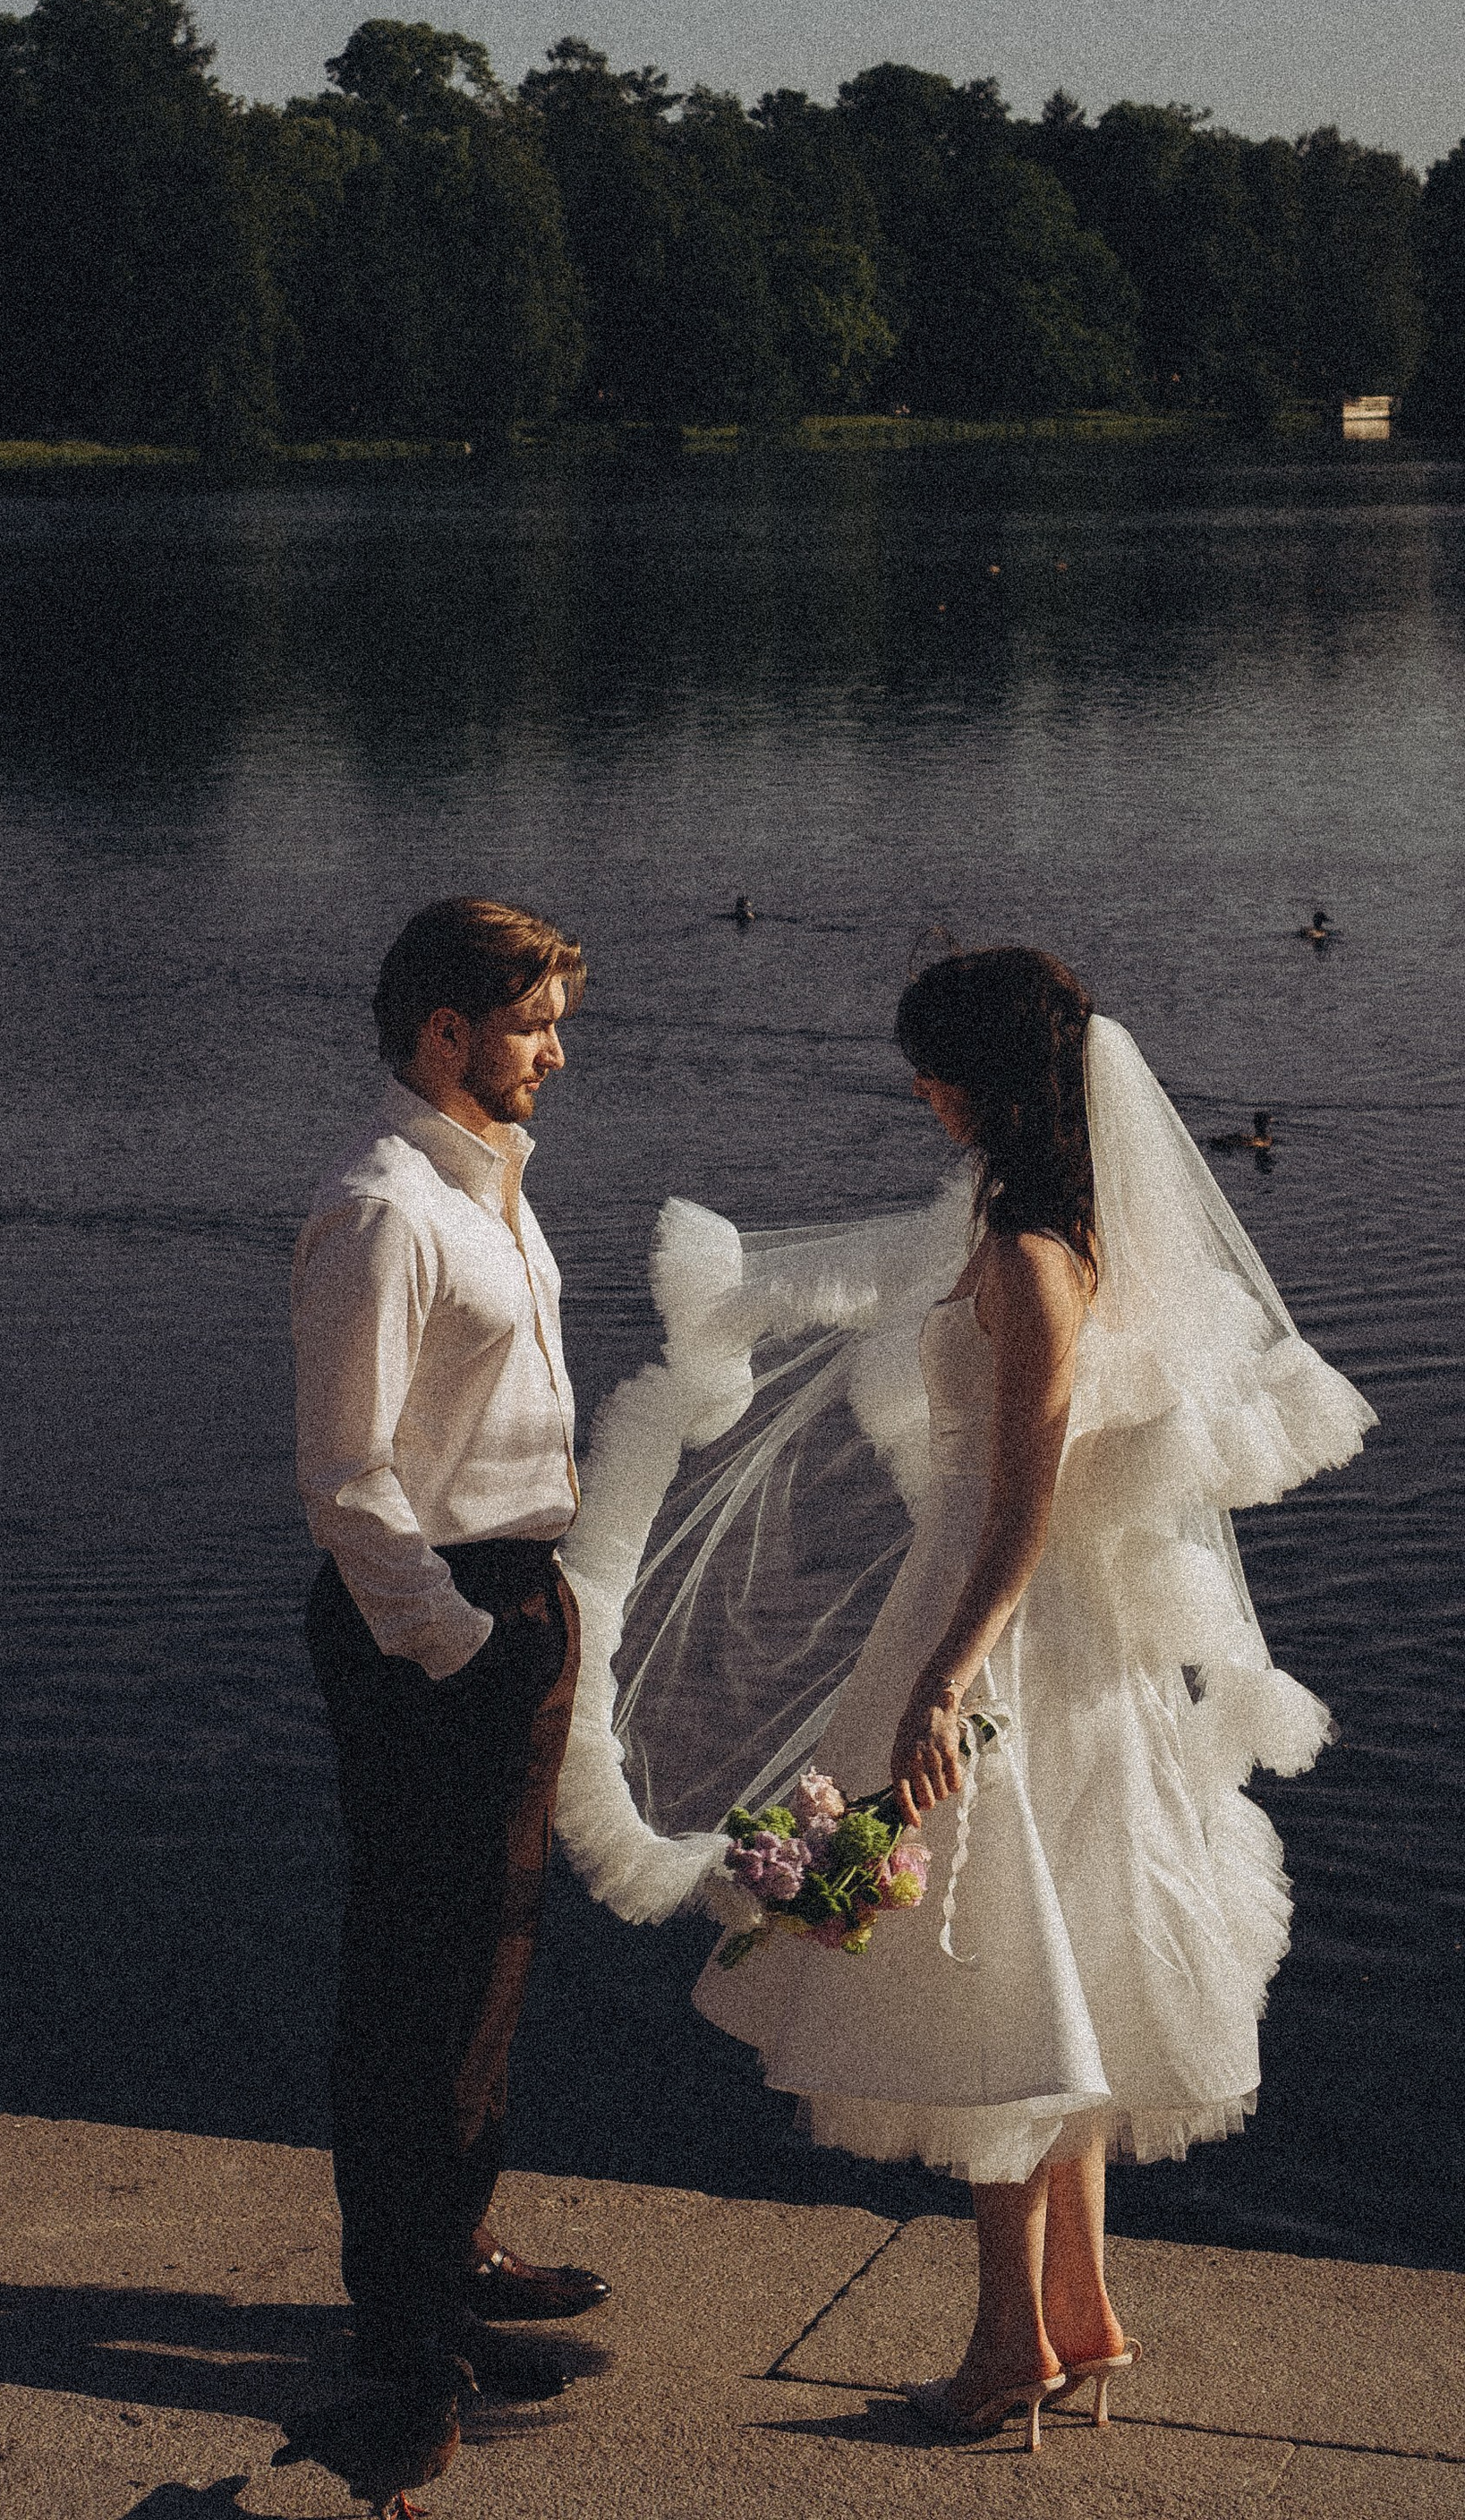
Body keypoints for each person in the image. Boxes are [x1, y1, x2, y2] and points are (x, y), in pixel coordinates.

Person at [555, 946, 1374, 2448]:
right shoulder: (1067, 1232)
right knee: (1051, 1962)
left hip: (1002, 1636)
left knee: (981, 1962)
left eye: (929, 1071)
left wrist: (942, 1678)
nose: (917, 1095)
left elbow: (1025, 1493)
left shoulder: (1027, 1261)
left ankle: (1009, 2344)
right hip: (1061, 1642)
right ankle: (1081, 2318)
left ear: (980, 1086)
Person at [294, 896, 610, 2451]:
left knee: (489, 1952)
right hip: (431, 1624)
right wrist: (466, 1648)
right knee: (417, 1973)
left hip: (511, 1600)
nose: (559, 1047)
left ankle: (456, 2254)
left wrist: (539, 1615)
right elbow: (350, 1484)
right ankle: (404, 2323)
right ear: (445, 1033)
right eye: (534, 1021)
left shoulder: (488, 1188)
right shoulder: (384, 1212)